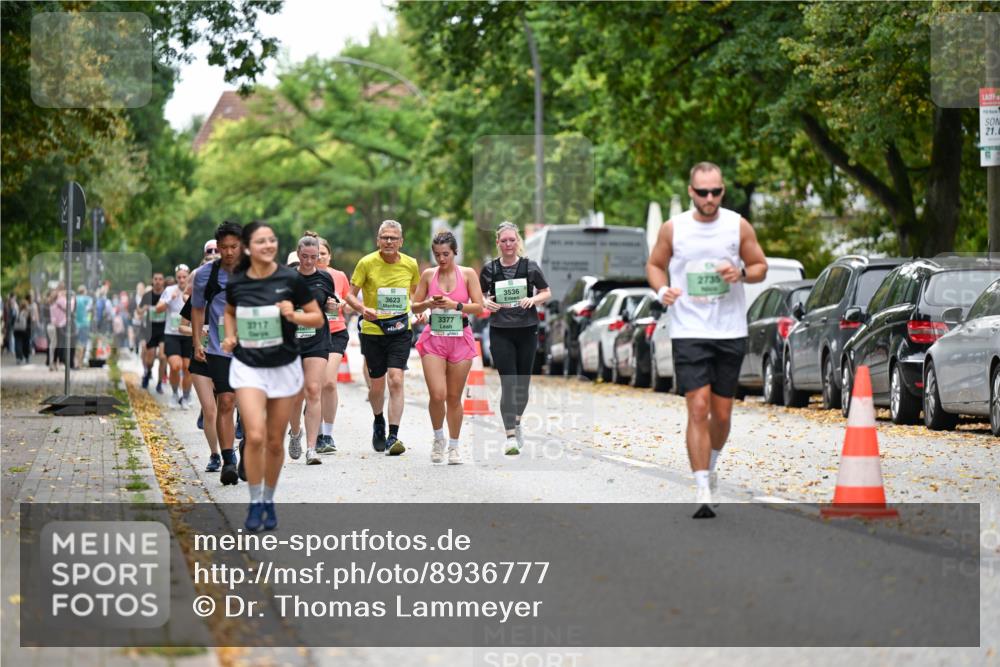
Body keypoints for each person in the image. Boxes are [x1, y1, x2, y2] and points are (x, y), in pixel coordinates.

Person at [646, 161, 768, 518]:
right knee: (698, 407)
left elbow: (760, 266)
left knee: (722, 413)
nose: (710, 198)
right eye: (703, 192)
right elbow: (655, 265)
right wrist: (663, 291)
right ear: (691, 192)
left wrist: (741, 273)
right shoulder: (674, 228)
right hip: (689, 330)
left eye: (716, 191)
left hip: (729, 330)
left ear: (722, 190)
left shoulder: (737, 225)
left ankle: (710, 465)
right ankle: (701, 485)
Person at [222, 220, 323, 532]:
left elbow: (317, 318)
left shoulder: (290, 279)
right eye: (260, 241)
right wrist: (230, 336)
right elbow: (229, 312)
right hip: (248, 366)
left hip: (283, 367)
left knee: (275, 442)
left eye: (272, 240)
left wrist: (293, 315)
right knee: (254, 436)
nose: (268, 245)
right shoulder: (238, 282)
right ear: (248, 247)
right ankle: (255, 502)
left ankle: (268, 498)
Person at [344, 220, 421, 456]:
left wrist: (419, 311)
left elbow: (415, 295)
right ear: (378, 240)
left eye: (393, 238)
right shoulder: (366, 263)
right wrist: (362, 309)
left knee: (396, 379)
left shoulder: (410, 264)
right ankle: (378, 420)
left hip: (400, 329)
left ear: (401, 241)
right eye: (384, 237)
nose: (389, 241)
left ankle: (393, 436)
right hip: (373, 330)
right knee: (377, 386)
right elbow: (349, 295)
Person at [411, 231, 485, 464]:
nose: (441, 259)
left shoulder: (468, 274)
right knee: (437, 394)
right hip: (434, 338)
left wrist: (456, 305)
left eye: (446, 254)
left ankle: (454, 446)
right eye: (437, 254)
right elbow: (414, 307)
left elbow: (479, 307)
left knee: (453, 397)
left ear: (455, 252)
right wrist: (427, 303)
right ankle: (438, 439)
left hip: (460, 338)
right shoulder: (428, 275)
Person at [479, 221, 552, 456]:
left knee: (522, 385)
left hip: (527, 330)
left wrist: (533, 300)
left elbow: (546, 292)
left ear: (517, 241)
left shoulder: (530, 267)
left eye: (512, 240)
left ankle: (517, 421)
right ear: (498, 243)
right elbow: (478, 295)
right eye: (504, 241)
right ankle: (510, 436)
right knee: (508, 384)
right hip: (501, 330)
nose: (508, 244)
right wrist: (485, 302)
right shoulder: (489, 269)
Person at [192, 223, 243, 484]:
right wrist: (196, 342)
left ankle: (248, 447)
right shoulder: (205, 275)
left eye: (234, 247)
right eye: (224, 247)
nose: (229, 252)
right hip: (220, 348)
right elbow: (197, 309)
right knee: (226, 401)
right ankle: (228, 460)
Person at [286, 234, 336, 465]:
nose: (308, 261)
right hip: (292, 341)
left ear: (319, 256)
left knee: (313, 389)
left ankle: (312, 448)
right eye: (304, 257)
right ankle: (295, 432)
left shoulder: (324, 278)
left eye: (313, 257)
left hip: (317, 339)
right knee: (295, 395)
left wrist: (331, 306)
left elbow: (329, 306)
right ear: (298, 255)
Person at [316, 237, 353, 454]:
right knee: (315, 385)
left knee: (329, 382)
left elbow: (348, 303)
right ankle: (316, 431)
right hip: (312, 333)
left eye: (323, 253)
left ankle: (327, 434)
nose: (320, 257)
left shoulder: (339, 276)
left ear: (329, 256)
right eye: (316, 253)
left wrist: (343, 305)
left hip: (336, 332)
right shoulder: (304, 276)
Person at [155, 265, 193, 409]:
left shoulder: (194, 289)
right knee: (175, 366)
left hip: (189, 333)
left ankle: (186, 396)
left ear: (189, 277)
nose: (182, 280)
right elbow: (158, 309)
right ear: (176, 278)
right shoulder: (170, 290)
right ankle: (175, 393)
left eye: (184, 277)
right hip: (172, 334)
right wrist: (170, 300)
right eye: (179, 277)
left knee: (188, 368)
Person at [138, 273, 168, 392]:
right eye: (156, 279)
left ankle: (159, 383)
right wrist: (143, 309)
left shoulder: (166, 294)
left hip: (164, 330)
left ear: (163, 281)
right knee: (149, 359)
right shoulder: (147, 295)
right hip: (150, 330)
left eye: (160, 279)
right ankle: (148, 372)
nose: (158, 281)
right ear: (152, 281)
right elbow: (138, 311)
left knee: (162, 356)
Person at [73, 285, 93, 368]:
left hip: (76, 324)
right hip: (85, 323)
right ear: (84, 291)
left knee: (76, 343)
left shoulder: (75, 299)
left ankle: (76, 362)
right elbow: (89, 309)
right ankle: (80, 363)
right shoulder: (88, 299)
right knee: (83, 343)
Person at [48, 284, 68, 371]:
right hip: (59, 325)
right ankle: (58, 362)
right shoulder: (61, 300)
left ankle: (52, 363)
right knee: (59, 344)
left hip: (51, 325)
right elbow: (69, 308)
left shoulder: (52, 303)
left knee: (53, 345)